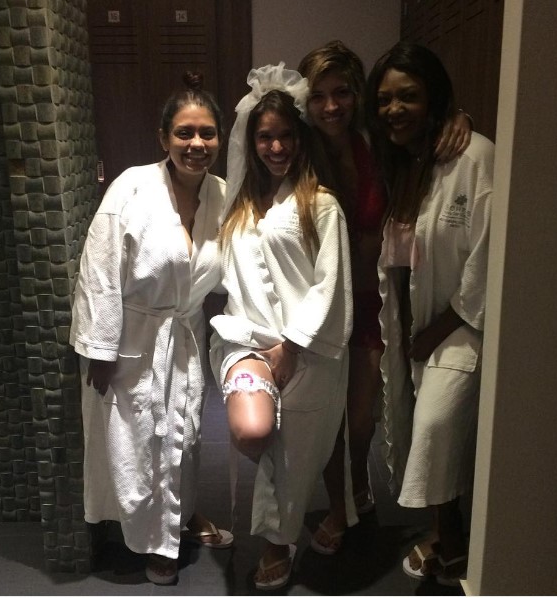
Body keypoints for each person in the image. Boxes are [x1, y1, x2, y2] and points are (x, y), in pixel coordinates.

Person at [297, 40, 473, 554]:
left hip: (375, 297)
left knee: (360, 419)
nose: (331, 106)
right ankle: (339, 504)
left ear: (358, 95)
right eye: (318, 96)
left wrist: (458, 117)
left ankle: (359, 483)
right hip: (320, 300)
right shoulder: (299, 152)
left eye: (342, 93)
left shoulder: (377, 145)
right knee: (328, 414)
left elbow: (425, 141)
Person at [70, 73, 233, 586]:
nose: (196, 144)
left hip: (184, 334)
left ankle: (179, 518)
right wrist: (100, 349)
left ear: (220, 138)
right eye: (185, 133)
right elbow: (99, 269)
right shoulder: (132, 187)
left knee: (185, 436)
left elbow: (239, 265)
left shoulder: (223, 195)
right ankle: (155, 543)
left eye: (207, 133)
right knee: (138, 443)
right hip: (133, 340)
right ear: (164, 138)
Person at [209, 63, 352, 590]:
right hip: (246, 341)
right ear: (251, 142)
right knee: (257, 434)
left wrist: (292, 345)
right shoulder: (239, 205)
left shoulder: (321, 205)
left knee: (297, 455)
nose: (275, 147)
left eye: (285, 136)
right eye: (265, 137)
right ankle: (285, 532)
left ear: (300, 138)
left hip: (308, 348)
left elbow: (330, 283)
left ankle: (278, 542)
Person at [365, 42, 494, 586]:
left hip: (460, 324)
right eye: (385, 99)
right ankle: (446, 534)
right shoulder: (404, 161)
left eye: (409, 97)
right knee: (425, 427)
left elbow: (486, 255)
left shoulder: (475, 157)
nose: (394, 109)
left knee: (438, 426)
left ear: (434, 98)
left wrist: (438, 329)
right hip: (411, 320)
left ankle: (458, 542)